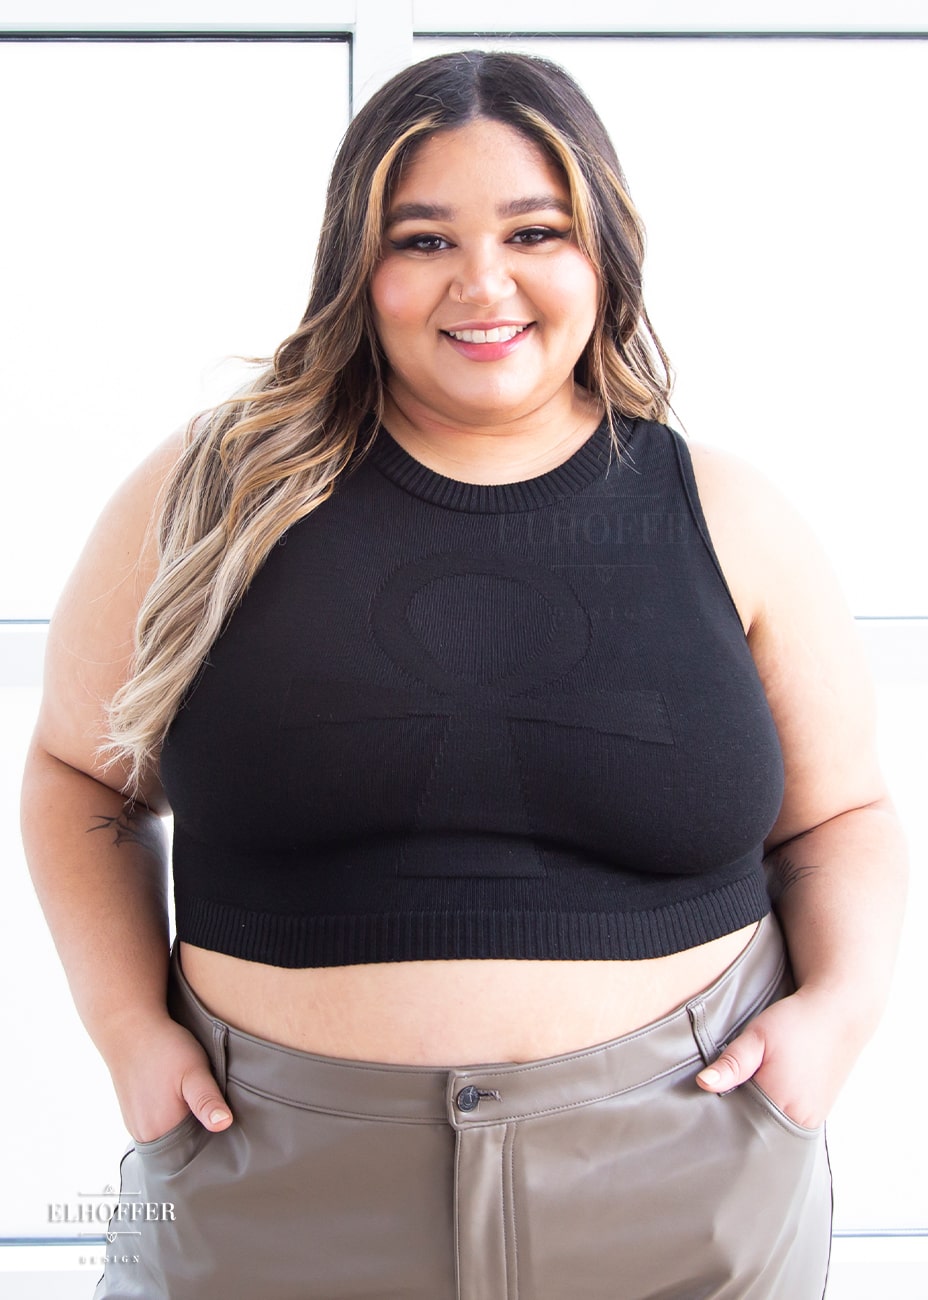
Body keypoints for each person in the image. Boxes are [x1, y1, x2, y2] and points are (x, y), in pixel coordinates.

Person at [22, 49, 906, 1300]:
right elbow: (77, 775)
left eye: (534, 230)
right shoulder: (213, 496)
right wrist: (126, 1032)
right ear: (354, 269)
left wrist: (837, 1021)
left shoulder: (727, 513)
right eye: (422, 239)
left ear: (601, 251)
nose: (481, 283)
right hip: (267, 1182)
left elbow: (839, 818)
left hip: (682, 1180)